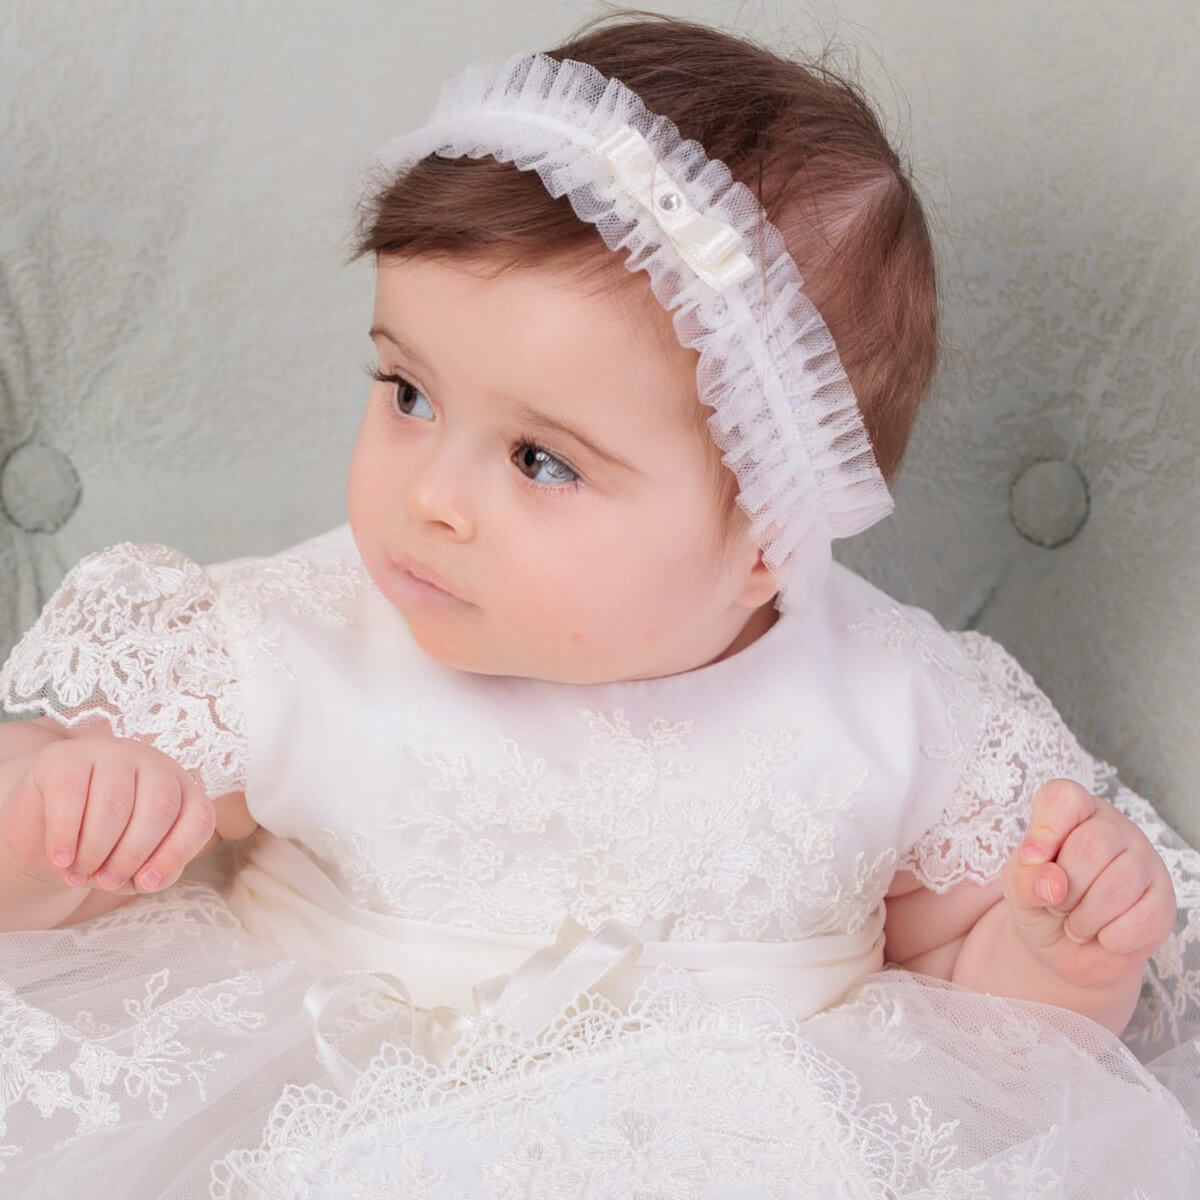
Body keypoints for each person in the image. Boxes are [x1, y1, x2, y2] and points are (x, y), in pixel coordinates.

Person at [1, 14, 1198, 1199]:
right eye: (408, 392)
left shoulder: (893, 703)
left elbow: (982, 1042)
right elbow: (42, 906)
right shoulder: (297, 639)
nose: (432, 498)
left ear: (769, 540)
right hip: (330, 1132)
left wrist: (1063, 959)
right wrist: (67, 810)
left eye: (540, 461)